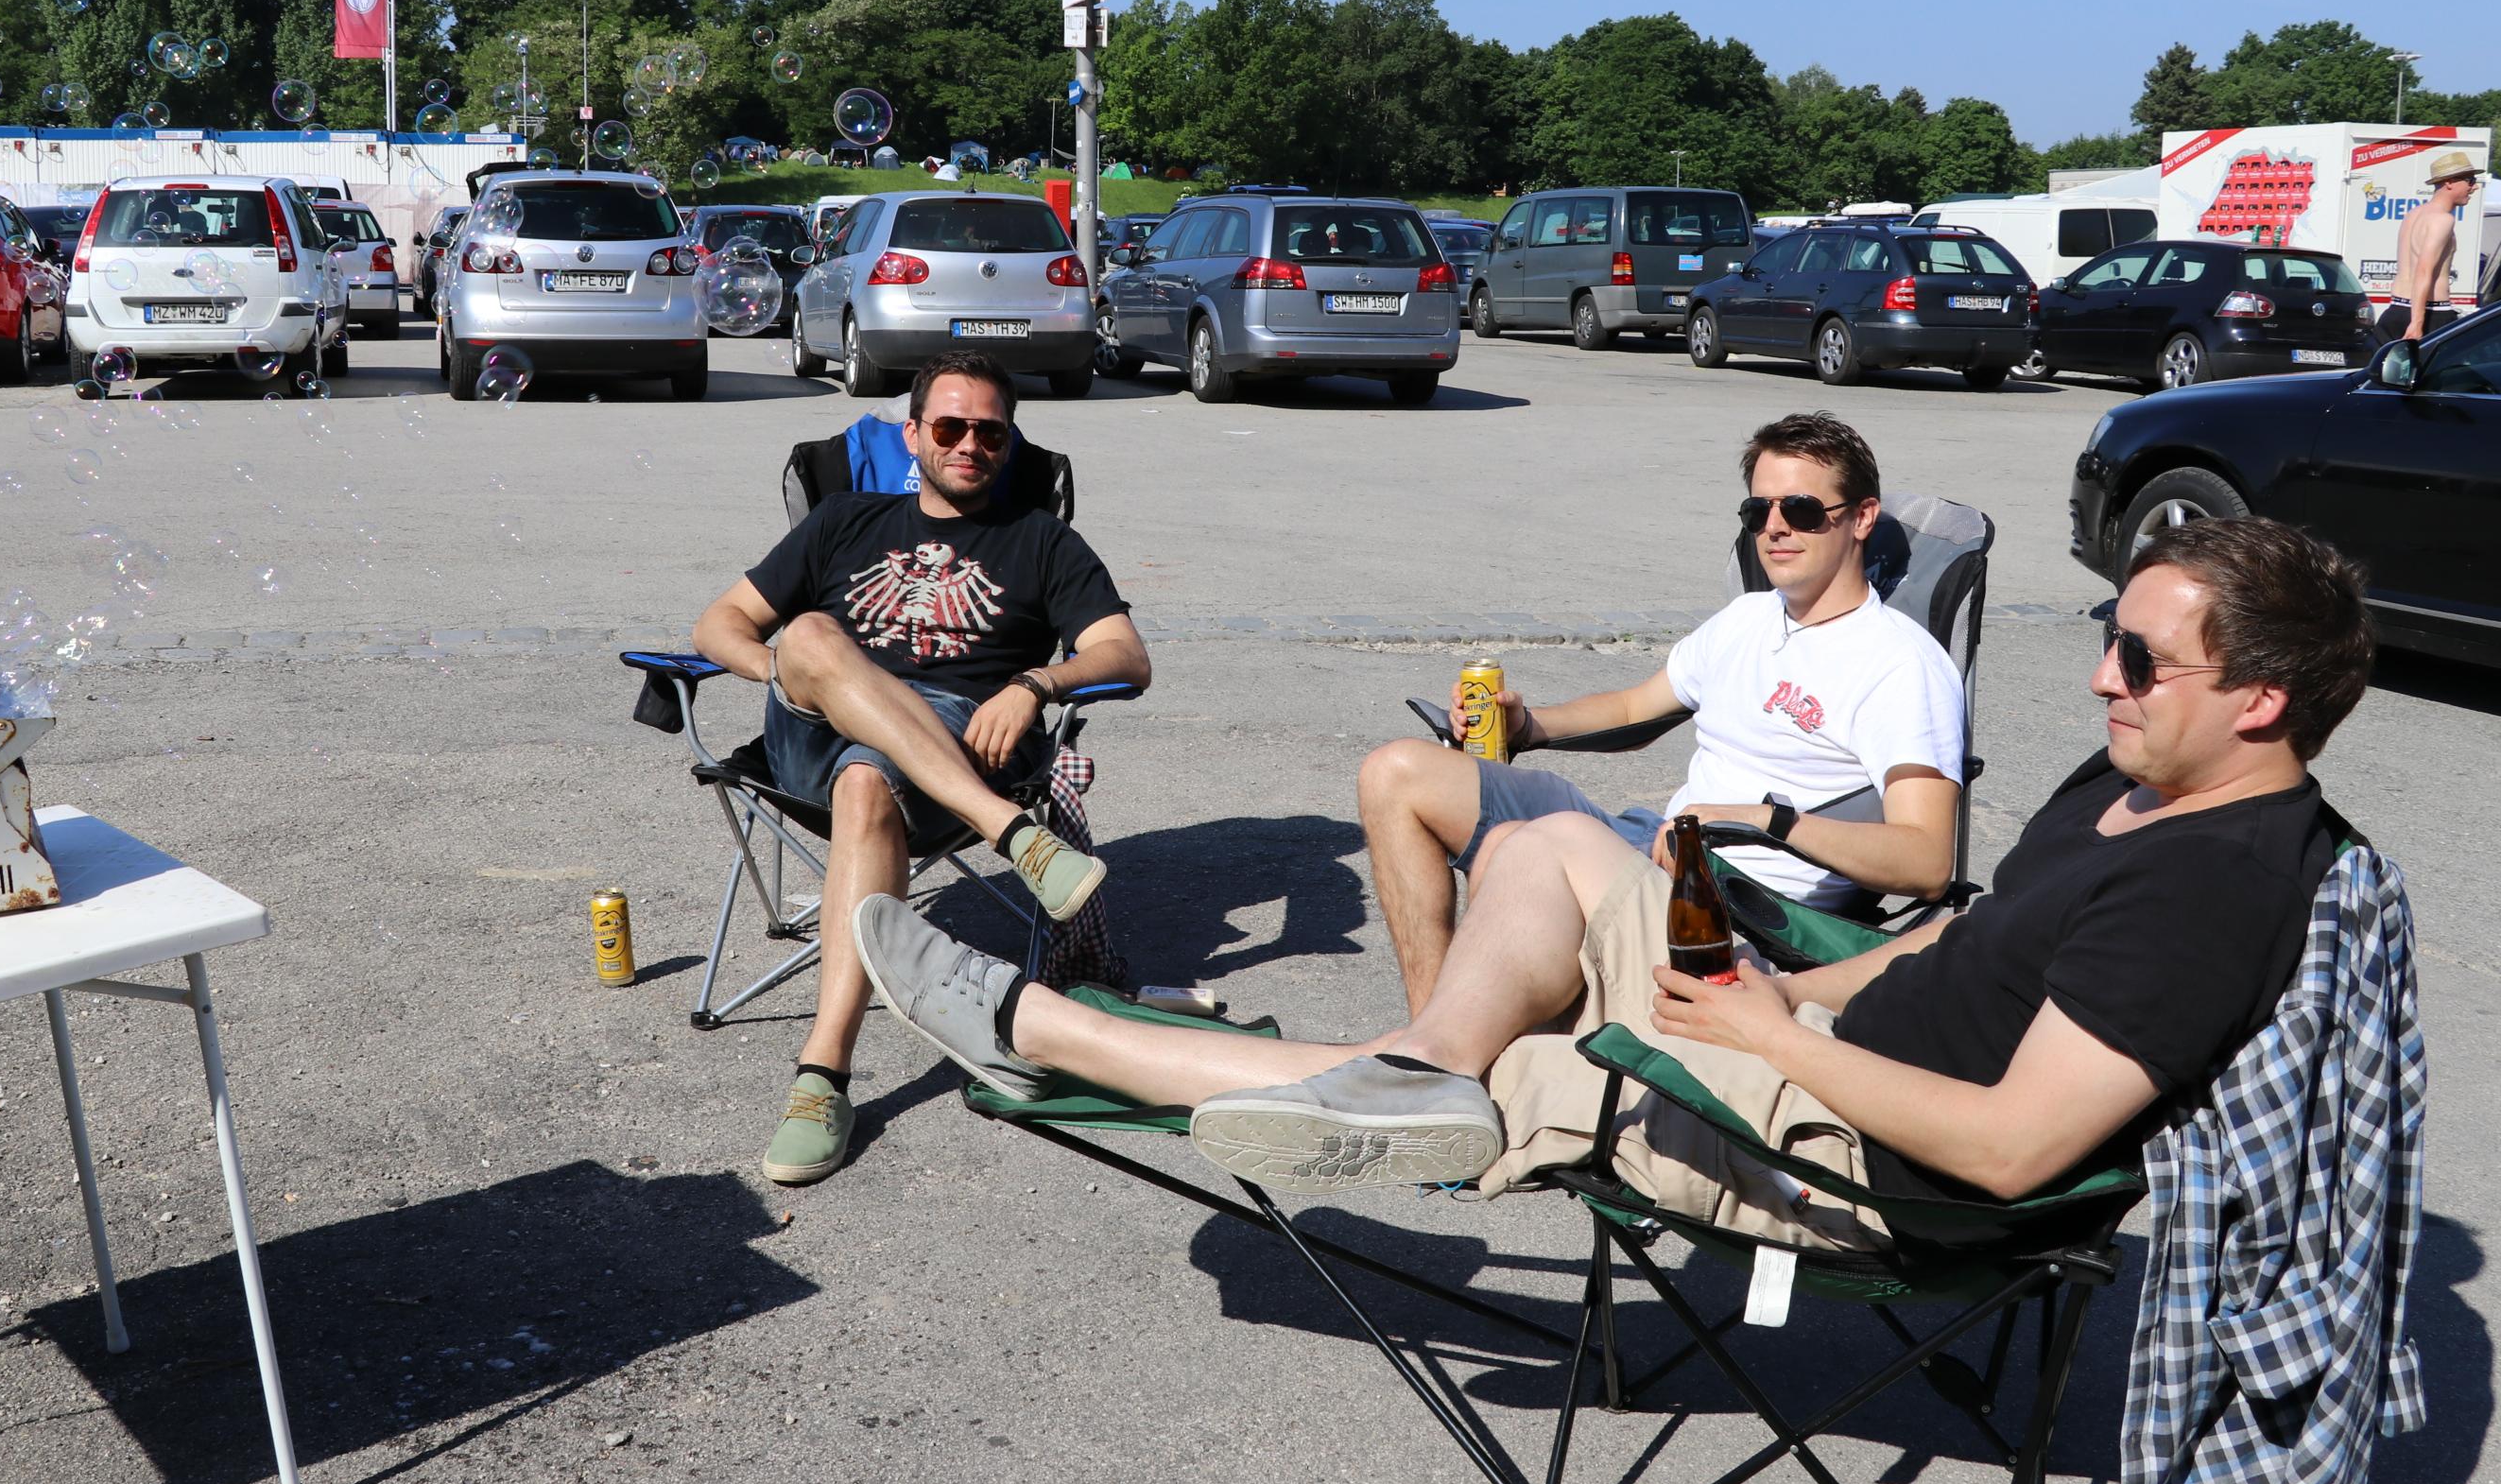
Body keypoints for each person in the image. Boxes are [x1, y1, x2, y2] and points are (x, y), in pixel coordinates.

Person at [854, 515, 2372, 1242]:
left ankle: (1045, 1029)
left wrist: (1770, 1037)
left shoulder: (2212, 885)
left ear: (2261, 703)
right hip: (1818, 1036)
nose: (2101, 676)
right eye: (2108, 639)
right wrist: (1802, 991)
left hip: (1849, 1155)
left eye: (2141, 659)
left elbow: (2014, 1149)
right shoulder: (2130, 783)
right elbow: (1955, 942)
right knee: (1548, 839)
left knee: (1495, 1054)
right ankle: (1429, 1065)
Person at [690, 351, 1151, 1187]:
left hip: (954, 742)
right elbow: (719, 623)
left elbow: (1125, 654)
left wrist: (1035, 683)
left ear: (1009, 443)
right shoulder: (845, 520)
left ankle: (820, 1077)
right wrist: (791, 672)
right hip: (812, 735)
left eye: (990, 433)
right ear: (913, 435)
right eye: (949, 427)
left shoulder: (1042, 540)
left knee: (868, 779)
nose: (969, 444)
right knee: (811, 635)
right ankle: (1012, 835)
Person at [1355, 412, 1965, 1013]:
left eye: (1802, 510)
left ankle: (1453, 1047)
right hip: (1656, 844)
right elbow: (1633, 707)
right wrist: (1525, 726)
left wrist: (1760, 820)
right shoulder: (1748, 618)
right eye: (1758, 511)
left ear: (1861, 517)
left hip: (1735, 902)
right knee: (1396, 773)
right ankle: (1432, 1036)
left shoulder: (1900, 664)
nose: (1776, 528)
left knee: (1516, 846)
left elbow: (1926, 860)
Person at [2379, 150, 2480, 342]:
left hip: (2395, 312)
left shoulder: (2413, 214)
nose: (2474, 187)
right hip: (2430, 315)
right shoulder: (2443, 220)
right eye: (2470, 181)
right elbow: (2423, 271)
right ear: (2449, 182)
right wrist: (2417, 323)